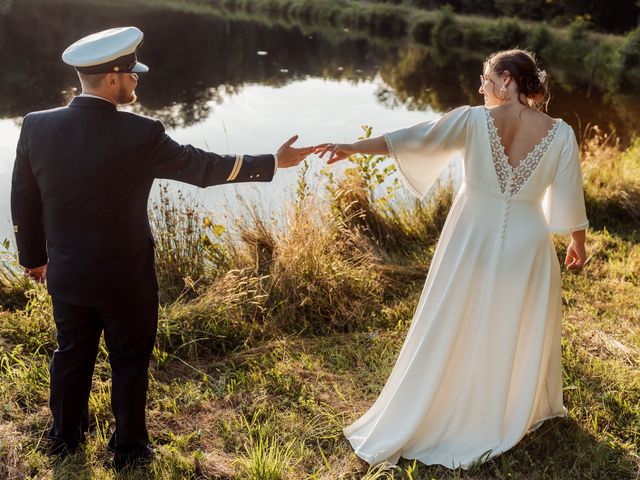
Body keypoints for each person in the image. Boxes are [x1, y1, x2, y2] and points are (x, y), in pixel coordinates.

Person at [10, 26, 313, 469]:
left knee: (71, 355)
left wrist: (34, 258)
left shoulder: (37, 126)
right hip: (126, 280)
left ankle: (63, 440)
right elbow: (204, 168)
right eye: (132, 74)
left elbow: (23, 198)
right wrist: (272, 162)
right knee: (130, 362)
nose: (136, 81)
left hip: (69, 275)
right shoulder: (143, 133)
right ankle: (129, 449)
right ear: (112, 79)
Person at [316, 49, 589, 469]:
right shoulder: (561, 133)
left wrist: (353, 147)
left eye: (486, 79)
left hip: (471, 235)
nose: (480, 88)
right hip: (528, 241)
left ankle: (455, 404)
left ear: (508, 80)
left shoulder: (471, 120)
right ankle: (503, 408)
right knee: (512, 322)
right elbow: (569, 194)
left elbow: (411, 138)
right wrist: (577, 241)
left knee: (455, 317)